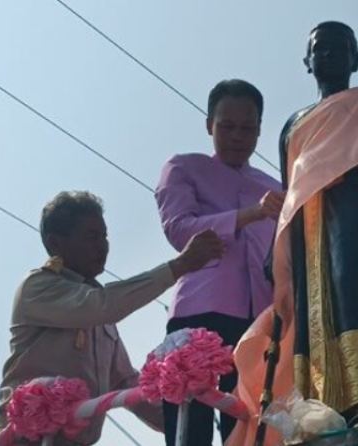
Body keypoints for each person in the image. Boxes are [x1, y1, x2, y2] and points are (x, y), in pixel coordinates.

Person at [227, 21, 358, 446]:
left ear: (356, 59)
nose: (329, 55)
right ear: (307, 61)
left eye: (339, 48)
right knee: (309, 312)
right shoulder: (294, 124)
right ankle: (314, 407)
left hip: (354, 204)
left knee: (350, 289)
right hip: (306, 221)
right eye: (320, 49)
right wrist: (276, 251)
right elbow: (290, 187)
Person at [0, 191, 224, 446]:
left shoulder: (98, 305)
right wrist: (179, 266)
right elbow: (104, 305)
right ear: (55, 243)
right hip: (25, 438)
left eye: (105, 236)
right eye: (92, 236)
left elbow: (125, 382)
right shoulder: (38, 287)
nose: (102, 246)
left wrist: (187, 413)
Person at [155, 79, 284, 446]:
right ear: (209, 124)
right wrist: (250, 214)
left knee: (249, 425)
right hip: (200, 311)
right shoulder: (184, 167)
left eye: (247, 128)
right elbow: (180, 229)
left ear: (259, 130)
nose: (237, 136)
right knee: (189, 427)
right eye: (227, 126)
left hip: (259, 322)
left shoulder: (275, 187)